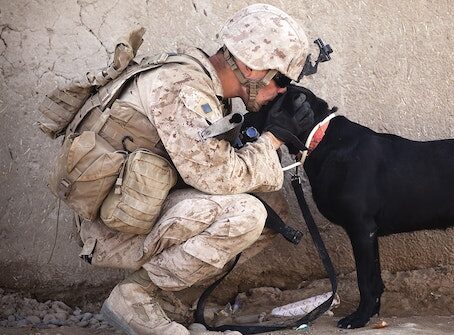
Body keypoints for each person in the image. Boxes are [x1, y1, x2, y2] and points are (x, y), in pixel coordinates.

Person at [76, 4, 316, 335]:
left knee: (271, 209)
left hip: (137, 206)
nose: (281, 90)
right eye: (281, 79)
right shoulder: (183, 89)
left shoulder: (201, 84)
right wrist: (272, 139)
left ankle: (165, 297)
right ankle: (136, 295)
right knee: (247, 214)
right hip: (112, 229)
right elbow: (218, 176)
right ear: (249, 66)